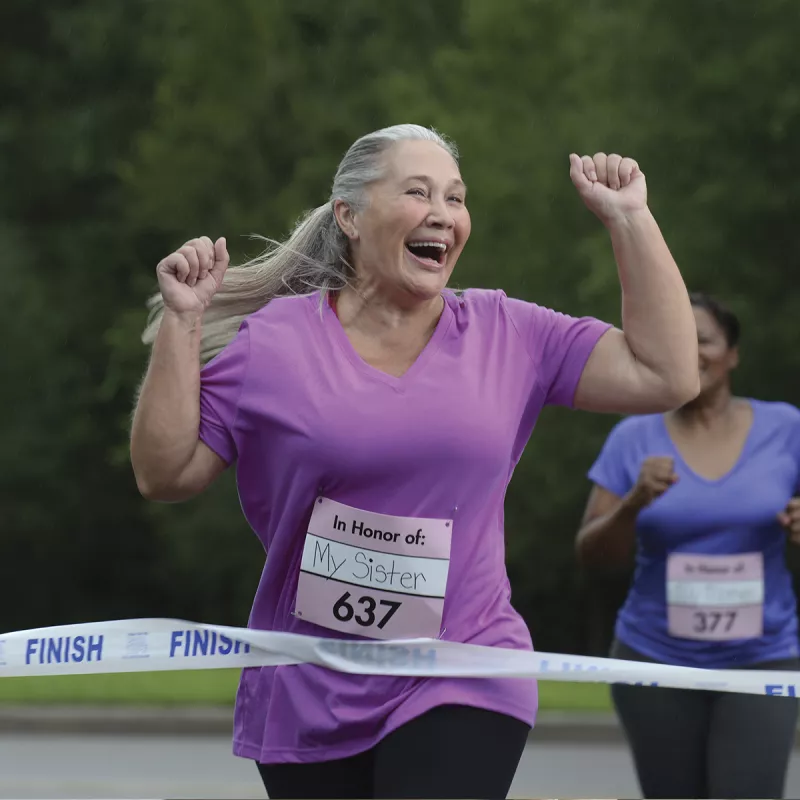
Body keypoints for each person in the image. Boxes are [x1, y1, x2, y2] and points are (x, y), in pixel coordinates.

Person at [130, 124, 698, 800]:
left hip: (463, 668)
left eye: (456, 199)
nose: (444, 214)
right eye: (418, 192)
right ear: (349, 216)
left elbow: (665, 375)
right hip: (310, 682)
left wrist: (630, 220)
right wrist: (183, 321)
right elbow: (164, 475)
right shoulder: (273, 346)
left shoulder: (508, 333)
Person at [576, 292, 800, 799]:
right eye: (679, 339)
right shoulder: (633, 436)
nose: (691, 350)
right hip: (655, 656)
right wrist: (633, 502)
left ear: (733, 353)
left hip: (763, 656)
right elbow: (591, 557)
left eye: (704, 339)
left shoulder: (786, 428)